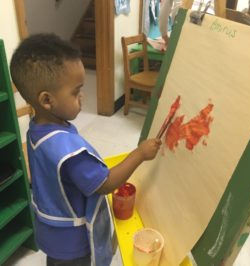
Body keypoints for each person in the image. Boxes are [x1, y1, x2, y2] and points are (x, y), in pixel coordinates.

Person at [10, 33, 161, 266]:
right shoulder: (67, 152)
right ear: (47, 100)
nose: (82, 97)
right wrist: (140, 154)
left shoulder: (35, 129)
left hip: (52, 233)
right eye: (75, 91)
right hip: (73, 244)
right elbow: (107, 184)